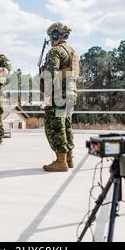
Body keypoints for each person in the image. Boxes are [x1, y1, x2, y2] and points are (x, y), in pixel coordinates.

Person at [40, 22, 80, 172]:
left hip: (59, 94)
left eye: (51, 35)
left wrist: (47, 98)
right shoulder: (71, 51)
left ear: (56, 35)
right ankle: (69, 159)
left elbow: (51, 76)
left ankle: (60, 161)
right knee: (66, 125)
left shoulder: (55, 51)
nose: (50, 39)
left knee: (55, 126)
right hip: (71, 93)